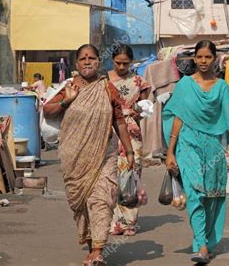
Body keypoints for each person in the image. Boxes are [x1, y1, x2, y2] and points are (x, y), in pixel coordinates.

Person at [43, 44, 134, 266]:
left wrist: (129, 150)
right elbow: (47, 110)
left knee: (101, 198)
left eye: (92, 58)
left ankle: (98, 250)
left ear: (98, 62)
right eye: (83, 58)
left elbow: (119, 120)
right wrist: (68, 100)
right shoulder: (70, 87)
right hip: (74, 157)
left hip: (105, 153)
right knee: (82, 203)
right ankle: (92, 241)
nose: (87, 62)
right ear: (76, 64)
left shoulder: (107, 88)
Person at [162, 40, 229, 264]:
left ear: (214, 58)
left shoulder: (221, 87)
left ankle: (208, 242)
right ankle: (200, 245)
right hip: (188, 143)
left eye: (207, 57)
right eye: (199, 57)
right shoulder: (184, 86)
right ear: (194, 58)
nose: (202, 61)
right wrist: (170, 152)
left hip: (212, 148)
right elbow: (177, 118)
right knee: (195, 193)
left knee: (211, 197)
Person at [108, 44, 151, 236]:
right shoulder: (104, 81)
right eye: (118, 63)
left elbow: (145, 108)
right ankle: (109, 220)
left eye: (125, 63)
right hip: (109, 131)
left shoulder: (140, 82)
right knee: (110, 175)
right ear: (112, 61)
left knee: (131, 174)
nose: (122, 67)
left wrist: (135, 114)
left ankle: (128, 222)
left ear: (131, 62)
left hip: (132, 133)